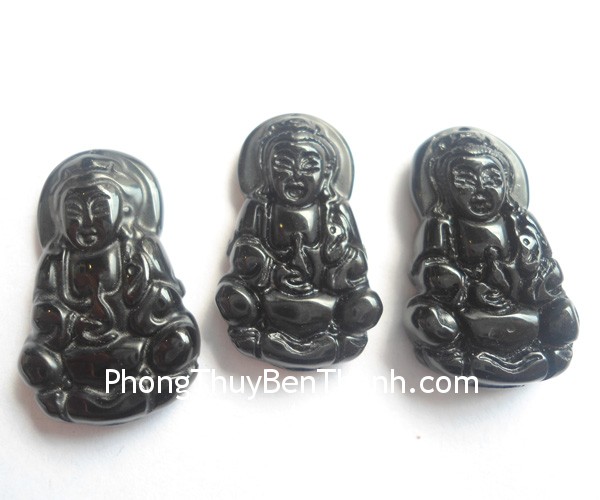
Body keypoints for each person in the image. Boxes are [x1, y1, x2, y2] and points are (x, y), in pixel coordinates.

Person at [20, 152, 199, 423]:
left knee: (182, 340)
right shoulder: (57, 260)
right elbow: (45, 315)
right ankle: (134, 393)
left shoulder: (142, 249)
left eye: (100, 210)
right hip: (80, 356)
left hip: (133, 350)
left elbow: (167, 307)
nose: (86, 223)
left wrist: (145, 295)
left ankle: (79, 401)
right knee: (33, 361)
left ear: (124, 211)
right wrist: (72, 323)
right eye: (74, 214)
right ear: (59, 218)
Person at [406, 128, 578, 385]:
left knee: (563, 313)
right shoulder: (441, 224)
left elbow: (549, 271)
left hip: (522, 312)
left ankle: (541, 354)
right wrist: (468, 286)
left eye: (492, 179)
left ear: (507, 183)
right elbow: (430, 269)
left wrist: (526, 273)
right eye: (465, 180)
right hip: (470, 317)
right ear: (444, 187)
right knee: (427, 318)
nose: (481, 189)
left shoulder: (520, 222)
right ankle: (460, 357)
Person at [216, 115, 382, 369]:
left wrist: (340, 259)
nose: (296, 174)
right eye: (283, 163)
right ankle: (320, 344)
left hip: (325, 304)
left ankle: (269, 342)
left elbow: (357, 264)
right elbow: (243, 254)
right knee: (231, 296)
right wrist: (272, 270)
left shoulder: (336, 211)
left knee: (366, 305)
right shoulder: (259, 208)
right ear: (266, 170)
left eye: (309, 165)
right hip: (272, 301)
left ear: (327, 172)